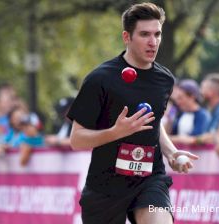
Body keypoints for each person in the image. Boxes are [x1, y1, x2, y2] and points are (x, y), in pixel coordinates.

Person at [67, 3, 198, 224]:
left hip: (149, 179)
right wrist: (116, 132)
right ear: (127, 37)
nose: (153, 42)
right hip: (105, 187)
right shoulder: (100, 79)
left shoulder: (164, 80)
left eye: (157, 34)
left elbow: (153, 124)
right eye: (144, 34)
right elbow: (77, 140)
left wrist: (171, 153)